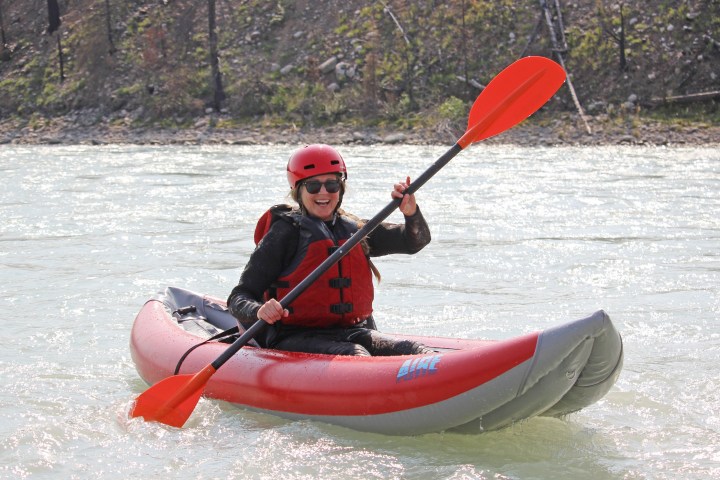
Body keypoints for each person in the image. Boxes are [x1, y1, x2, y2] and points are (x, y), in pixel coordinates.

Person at [228, 144, 433, 356]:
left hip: (352, 331)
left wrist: (411, 213)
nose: (323, 192)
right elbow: (238, 297)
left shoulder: (356, 230)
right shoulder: (284, 234)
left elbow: (415, 241)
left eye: (332, 184)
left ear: (341, 188)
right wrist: (259, 310)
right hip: (294, 336)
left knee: (414, 350)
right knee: (357, 355)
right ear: (298, 190)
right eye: (313, 186)